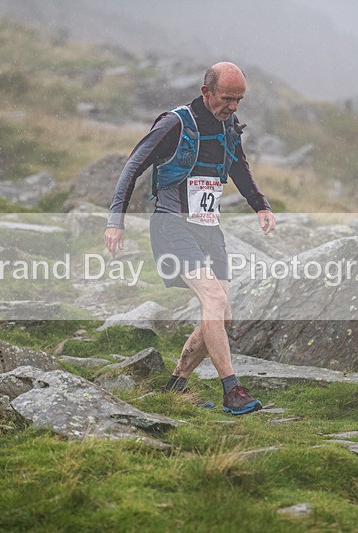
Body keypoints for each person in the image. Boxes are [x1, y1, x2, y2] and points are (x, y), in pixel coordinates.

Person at [104, 61, 276, 415]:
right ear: (206, 92)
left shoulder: (229, 126)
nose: (233, 107)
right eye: (227, 98)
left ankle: (175, 386)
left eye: (239, 100)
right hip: (172, 225)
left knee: (222, 316)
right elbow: (133, 165)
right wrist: (115, 218)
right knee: (212, 298)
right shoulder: (175, 123)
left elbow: (238, 166)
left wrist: (260, 205)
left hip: (209, 231)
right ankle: (232, 390)